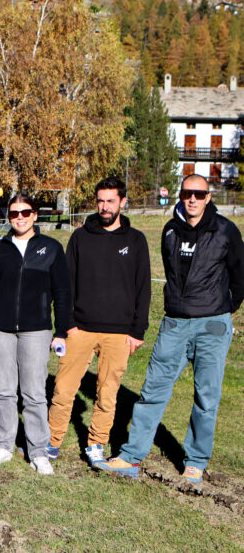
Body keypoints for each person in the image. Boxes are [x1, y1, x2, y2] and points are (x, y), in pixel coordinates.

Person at [100, 175, 244, 484]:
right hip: (175, 323)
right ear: (180, 195)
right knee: (152, 390)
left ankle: (195, 460)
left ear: (208, 197)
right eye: (187, 193)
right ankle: (131, 456)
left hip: (213, 324)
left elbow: (239, 275)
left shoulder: (225, 231)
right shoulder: (170, 230)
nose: (192, 199)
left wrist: (224, 309)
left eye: (199, 194)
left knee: (207, 396)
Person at [47, 177, 150, 467]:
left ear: (122, 202)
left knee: (107, 393)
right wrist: (67, 324)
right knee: (63, 390)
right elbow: (65, 284)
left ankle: (96, 444)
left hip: (118, 334)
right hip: (79, 329)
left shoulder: (136, 240)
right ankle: (52, 441)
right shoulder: (80, 237)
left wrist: (137, 331)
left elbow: (144, 288)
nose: (105, 207)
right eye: (101, 201)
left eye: (111, 201)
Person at [0, 194, 71, 475]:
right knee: (3, 390)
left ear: (35, 215)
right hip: (0, 328)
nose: (19, 217)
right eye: (14, 212)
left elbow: (62, 292)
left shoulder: (51, 248)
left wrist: (61, 331)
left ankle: (38, 451)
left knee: (34, 392)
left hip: (37, 330)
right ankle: (3, 445)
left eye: (25, 212)